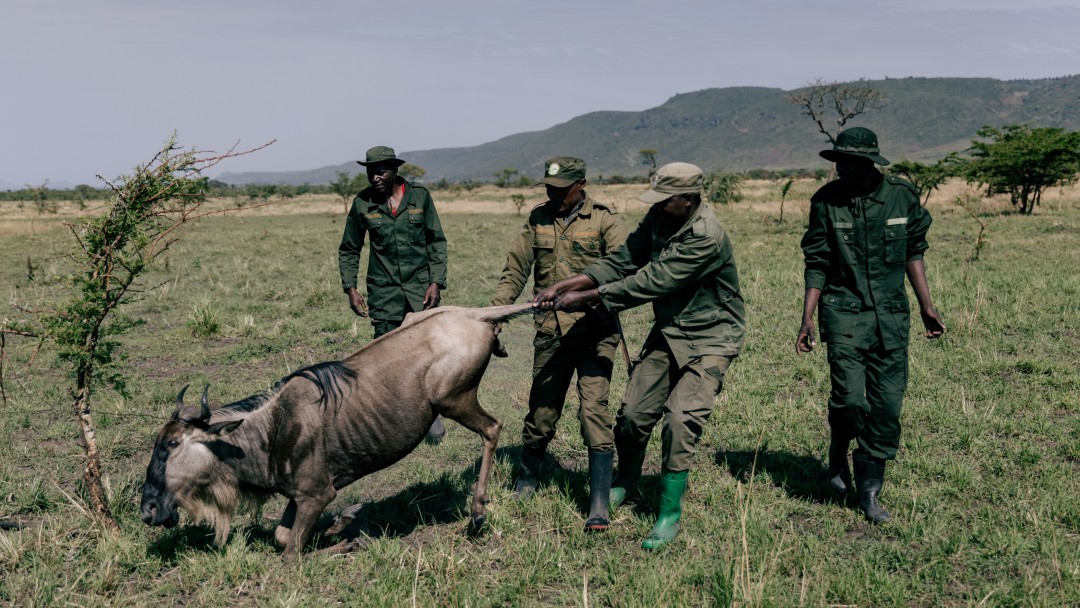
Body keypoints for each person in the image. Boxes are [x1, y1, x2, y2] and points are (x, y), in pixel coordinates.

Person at [534, 162, 745, 550]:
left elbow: (653, 280)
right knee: (632, 415)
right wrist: (575, 280)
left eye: (666, 201)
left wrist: (586, 297)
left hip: (711, 335)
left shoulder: (705, 235)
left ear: (689, 199)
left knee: (680, 420)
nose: (659, 206)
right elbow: (625, 260)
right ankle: (627, 479)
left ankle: (668, 513)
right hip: (669, 330)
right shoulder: (658, 217)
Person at [796, 127, 946, 524]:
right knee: (849, 400)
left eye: (846, 161)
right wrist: (807, 317)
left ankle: (869, 491)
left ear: (868, 163)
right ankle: (837, 448)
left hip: (891, 316)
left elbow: (914, 250)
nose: (839, 167)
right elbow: (817, 261)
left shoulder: (901, 195)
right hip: (843, 312)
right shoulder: (827, 201)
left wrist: (927, 305)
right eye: (837, 160)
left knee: (887, 406)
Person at [491, 156, 629, 532]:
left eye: (561, 189)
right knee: (541, 412)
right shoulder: (537, 219)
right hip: (550, 332)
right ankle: (528, 479)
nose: (553, 195)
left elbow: (624, 270)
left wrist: (592, 298)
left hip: (595, 332)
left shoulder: (605, 220)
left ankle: (598, 502)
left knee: (593, 413)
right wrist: (496, 313)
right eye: (548, 188)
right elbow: (516, 269)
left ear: (581, 184)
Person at [338, 145, 449, 443]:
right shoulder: (362, 203)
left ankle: (432, 413)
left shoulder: (420, 197)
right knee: (387, 355)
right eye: (370, 171)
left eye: (381, 171)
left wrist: (436, 282)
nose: (374, 177)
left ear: (395, 170)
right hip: (384, 292)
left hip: (420, 290)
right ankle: (396, 418)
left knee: (426, 351)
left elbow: (436, 241)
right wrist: (351, 287)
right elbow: (350, 248)